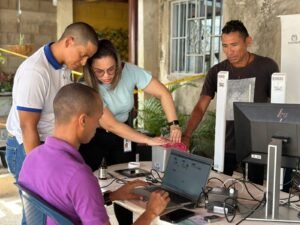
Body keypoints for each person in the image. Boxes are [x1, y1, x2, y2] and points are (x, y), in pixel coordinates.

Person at [18, 83, 170, 225]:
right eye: (97, 120)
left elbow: (64, 203)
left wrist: (111, 197)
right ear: (83, 120)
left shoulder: (32, 157)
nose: (98, 126)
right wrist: (150, 212)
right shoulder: (78, 175)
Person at [79, 39, 181, 225]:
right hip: (94, 136)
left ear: (119, 64)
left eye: (111, 69)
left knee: (125, 184)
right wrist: (148, 140)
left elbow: (163, 93)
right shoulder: (87, 85)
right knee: (87, 183)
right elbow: (110, 125)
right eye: (99, 71)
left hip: (124, 133)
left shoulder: (130, 71)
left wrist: (174, 124)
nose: (107, 76)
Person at [5, 22, 98, 225]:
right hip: (27, 146)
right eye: (82, 55)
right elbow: (27, 126)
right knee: (34, 214)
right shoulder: (36, 72)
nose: (83, 62)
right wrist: (42, 166)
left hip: (47, 147)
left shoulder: (63, 66)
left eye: (87, 58)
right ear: (69, 41)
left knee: (48, 213)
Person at [182, 20, 279, 184]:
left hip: (255, 143)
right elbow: (200, 106)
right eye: (225, 46)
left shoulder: (267, 66)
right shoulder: (217, 71)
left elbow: (275, 105)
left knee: (254, 191)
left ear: (248, 41)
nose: (229, 51)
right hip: (225, 142)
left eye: (234, 45)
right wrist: (187, 134)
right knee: (219, 187)